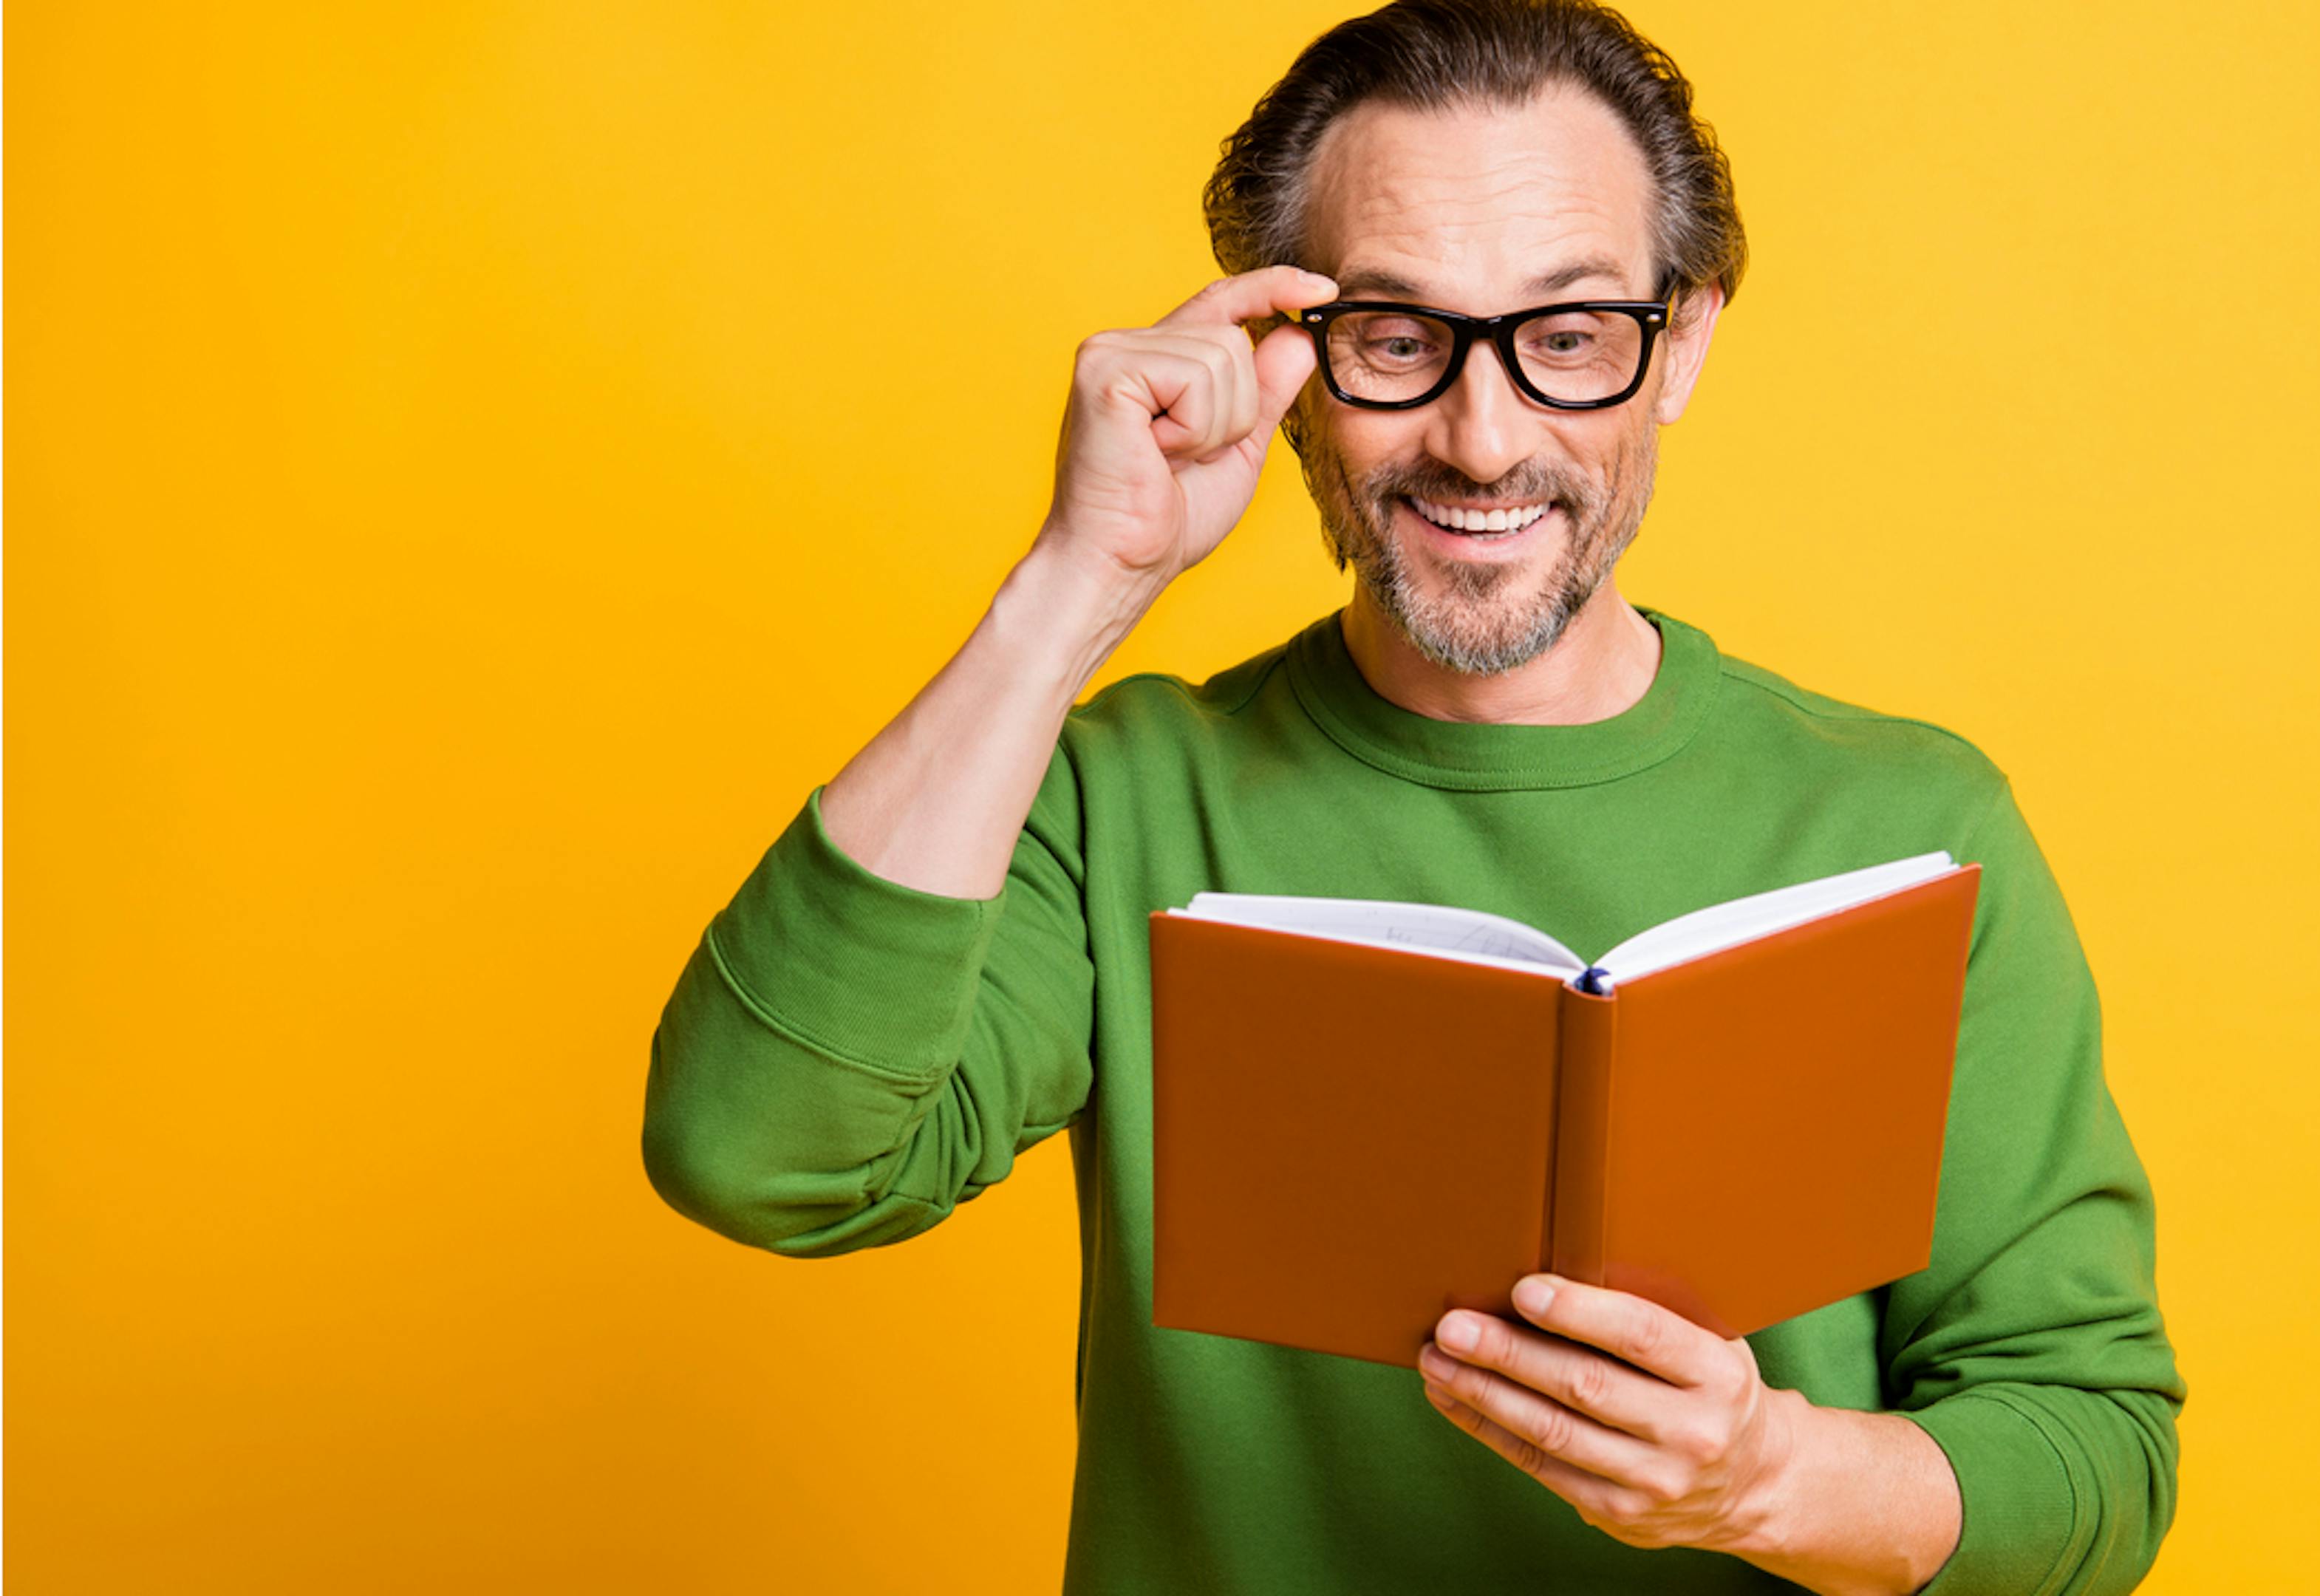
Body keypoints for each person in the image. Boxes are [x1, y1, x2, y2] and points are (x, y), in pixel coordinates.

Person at [641, 1, 2184, 1590]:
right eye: (1398, 340)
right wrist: (1077, 588)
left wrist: (1761, 1478)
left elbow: (2093, 1454)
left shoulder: (1910, 825)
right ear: (1286, 362)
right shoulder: (1117, 800)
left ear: (1685, 346)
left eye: (1569, 338)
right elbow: (760, 1153)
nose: (1483, 437)